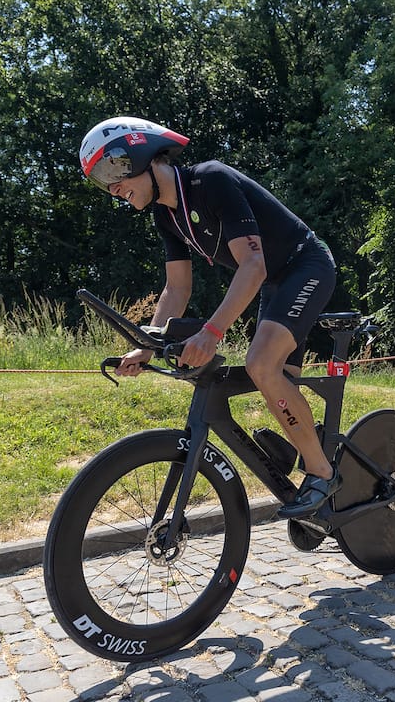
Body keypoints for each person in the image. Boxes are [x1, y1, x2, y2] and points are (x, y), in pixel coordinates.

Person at [79, 116, 338, 519]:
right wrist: (144, 347)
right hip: (274, 282)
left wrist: (211, 333)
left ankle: (322, 475)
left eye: (113, 171)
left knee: (260, 364)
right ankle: (304, 441)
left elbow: (252, 265)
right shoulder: (165, 217)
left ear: (143, 154)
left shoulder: (210, 180)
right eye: (103, 183)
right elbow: (177, 290)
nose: (113, 188)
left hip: (306, 265)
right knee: (271, 375)